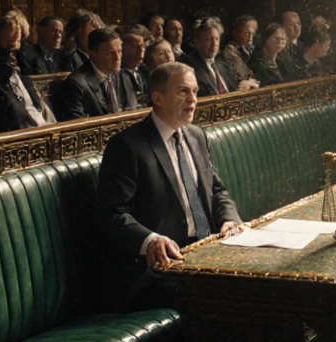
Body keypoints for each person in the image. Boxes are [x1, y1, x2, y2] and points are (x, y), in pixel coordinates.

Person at [95, 61, 245, 311]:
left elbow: (217, 190)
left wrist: (228, 219)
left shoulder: (196, 135)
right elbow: (111, 214)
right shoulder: (127, 146)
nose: (193, 99)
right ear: (158, 98)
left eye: (195, 91)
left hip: (204, 251)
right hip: (157, 270)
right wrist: (150, 240)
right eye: (182, 91)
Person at [0, 10, 55, 135]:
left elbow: (36, 108)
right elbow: (14, 119)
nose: (14, 55)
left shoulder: (20, 72)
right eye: (11, 49)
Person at [53, 28, 138, 121]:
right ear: (93, 54)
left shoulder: (123, 76)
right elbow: (76, 124)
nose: (117, 58)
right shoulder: (75, 84)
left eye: (119, 51)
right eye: (110, 53)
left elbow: (133, 110)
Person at [182, 17, 254, 96]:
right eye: (208, 39)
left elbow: (235, 90)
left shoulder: (224, 66)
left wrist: (246, 86)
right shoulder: (190, 68)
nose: (214, 44)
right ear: (196, 42)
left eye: (216, 39)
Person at [220, 15, 257, 82]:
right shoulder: (230, 52)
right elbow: (243, 78)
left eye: (253, 34)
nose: (250, 38)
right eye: (247, 34)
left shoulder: (248, 52)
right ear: (235, 33)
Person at [119, 27, 150, 106]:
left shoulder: (144, 70)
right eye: (134, 46)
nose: (141, 50)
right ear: (123, 49)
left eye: (143, 46)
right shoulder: (117, 74)